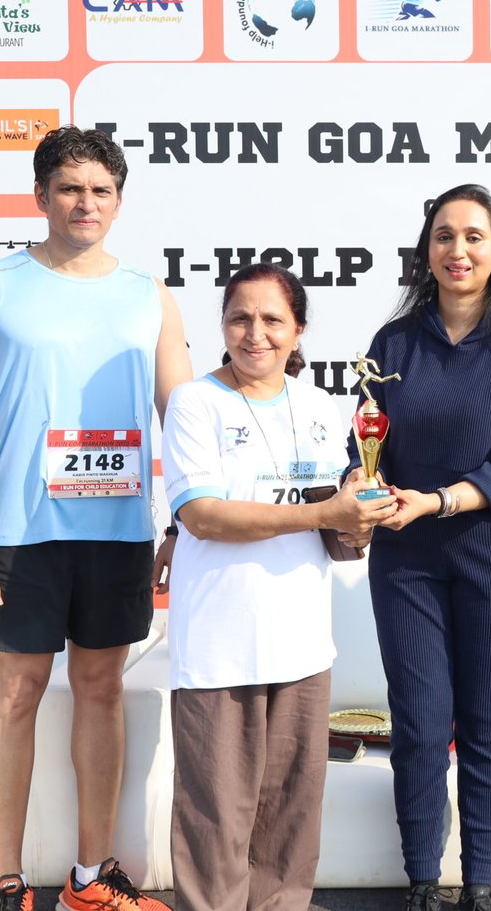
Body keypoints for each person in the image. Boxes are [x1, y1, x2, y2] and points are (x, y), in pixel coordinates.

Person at [0, 126, 190, 911]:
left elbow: (183, 419)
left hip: (117, 532)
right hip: (16, 532)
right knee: (16, 693)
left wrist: (181, 523)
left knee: (101, 689)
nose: (86, 203)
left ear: (119, 201)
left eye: (101, 190)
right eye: (70, 188)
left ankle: (90, 878)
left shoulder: (148, 295)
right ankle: (7, 882)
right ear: (40, 195)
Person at [155, 263, 396, 911]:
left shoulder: (318, 406)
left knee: (291, 820)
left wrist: (360, 519)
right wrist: (324, 515)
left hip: (302, 649)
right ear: (221, 325)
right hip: (218, 648)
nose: (254, 333)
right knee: (214, 821)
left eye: (272, 320)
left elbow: (334, 524)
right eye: (240, 318)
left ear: (299, 331)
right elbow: (203, 515)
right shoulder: (195, 403)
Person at [352, 184, 491, 911]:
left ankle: (479, 885)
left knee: (484, 724)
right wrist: (359, 482)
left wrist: (438, 500)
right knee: (417, 723)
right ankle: (421, 881)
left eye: (474, 236)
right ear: (426, 251)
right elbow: (365, 442)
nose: (458, 250)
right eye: (444, 236)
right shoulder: (393, 344)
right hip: (407, 559)